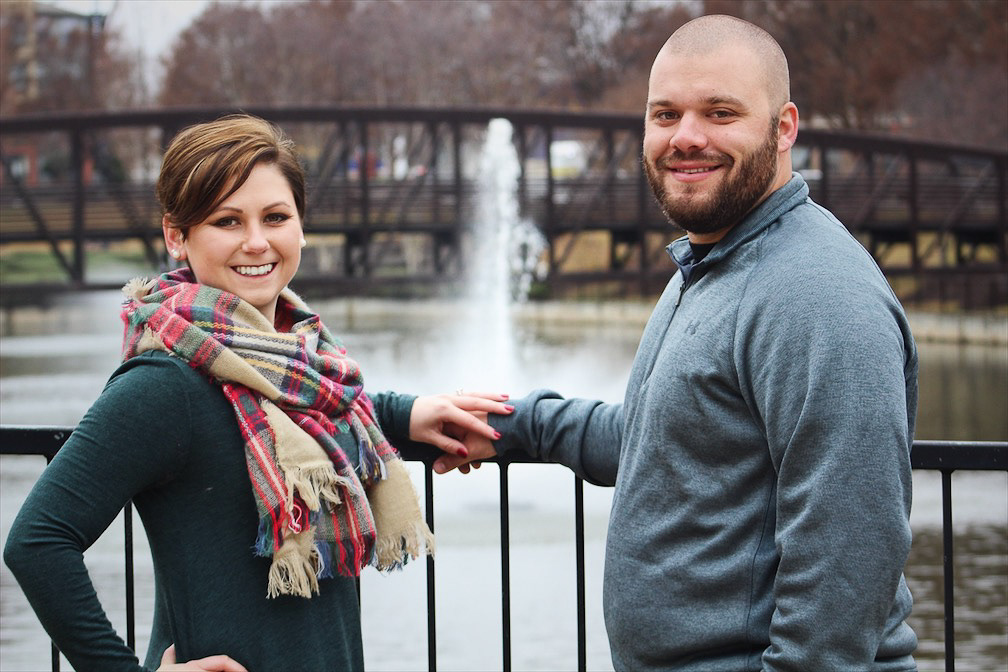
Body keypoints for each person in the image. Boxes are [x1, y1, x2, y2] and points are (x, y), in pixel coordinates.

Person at [435, 14, 919, 672]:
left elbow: (849, 552)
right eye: (666, 115)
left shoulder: (817, 293)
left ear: (784, 129)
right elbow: (661, 441)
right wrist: (516, 424)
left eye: (720, 113)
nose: (686, 137)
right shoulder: (716, 263)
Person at [3, 114, 511, 672]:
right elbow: (37, 542)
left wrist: (406, 413)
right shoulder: (164, 384)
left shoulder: (306, 365)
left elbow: (302, 411)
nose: (256, 241)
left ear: (301, 226)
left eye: (275, 217)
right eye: (227, 221)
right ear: (176, 236)